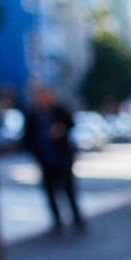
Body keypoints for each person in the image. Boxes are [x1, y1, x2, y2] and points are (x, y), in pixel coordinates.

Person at [22, 84, 85, 233]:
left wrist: (61, 129)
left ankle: (76, 218)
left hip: (61, 157)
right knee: (50, 191)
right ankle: (57, 221)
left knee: (68, 189)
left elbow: (71, 123)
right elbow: (27, 137)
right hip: (45, 158)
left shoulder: (59, 110)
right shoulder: (33, 114)